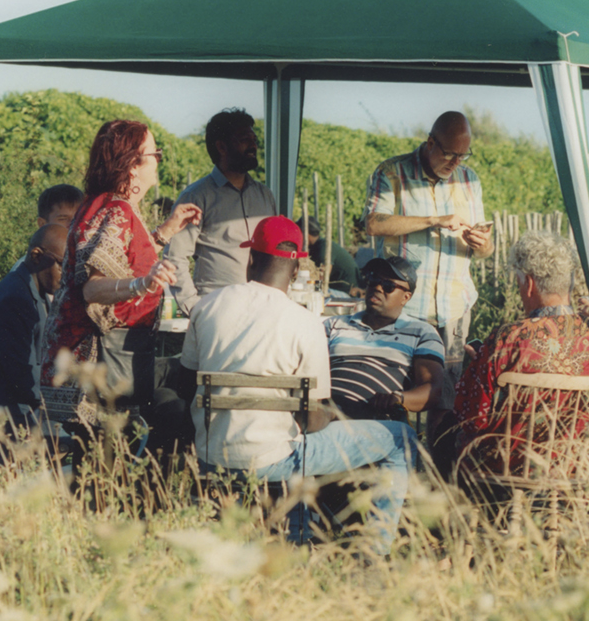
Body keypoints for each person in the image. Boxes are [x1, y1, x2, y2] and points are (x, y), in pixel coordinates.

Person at [179, 218, 419, 552]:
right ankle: (374, 551)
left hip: (210, 454)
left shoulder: (207, 305)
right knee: (401, 437)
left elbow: (185, 383)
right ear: (295, 271)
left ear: (251, 259)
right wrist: (330, 416)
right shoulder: (307, 323)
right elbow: (314, 419)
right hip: (277, 460)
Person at [41, 120, 202, 455]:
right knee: (105, 460)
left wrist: (166, 232)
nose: (158, 161)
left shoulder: (109, 205)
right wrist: (143, 284)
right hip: (97, 364)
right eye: (155, 154)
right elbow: (93, 289)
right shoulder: (115, 211)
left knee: (103, 458)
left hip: (93, 358)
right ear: (133, 166)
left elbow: (123, 260)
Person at [454, 231, 589, 482]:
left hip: (511, 463)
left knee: (445, 432)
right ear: (569, 282)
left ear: (530, 284)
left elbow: (472, 417)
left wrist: (478, 364)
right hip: (579, 462)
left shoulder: (508, 338)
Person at [363, 110, 492, 393]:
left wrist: (483, 244)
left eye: (463, 156)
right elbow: (373, 223)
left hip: (453, 310)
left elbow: (484, 250)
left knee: (445, 398)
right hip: (403, 310)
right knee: (394, 395)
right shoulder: (392, 172)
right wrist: (434, 220)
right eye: (450, 154)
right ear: (431, 142)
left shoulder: (470, 180)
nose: (455, 163)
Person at [170, 110, 278, 309]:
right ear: (221, 147)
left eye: (254, 139)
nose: (253, 146)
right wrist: (194, 308)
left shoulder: (265, 196)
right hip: (216, 308)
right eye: (244, 140)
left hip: (261, 308)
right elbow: (175, 257)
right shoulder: (196, 197)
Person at [0, 221, 68, 436]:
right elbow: (24, 380)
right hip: (7, 423)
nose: (66, 274)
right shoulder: (14, 301)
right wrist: (66, 402)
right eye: (62, 265)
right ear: (36, 256)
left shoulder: (31, 290)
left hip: (19, 409)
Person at [323, 255, 445, 422]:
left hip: (377, 420)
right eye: (373, 280)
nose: (378, 288)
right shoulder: (333, 324)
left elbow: (433, 389)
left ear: (405, 297)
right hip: (326, 413)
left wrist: (399, 399)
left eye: (388, 286)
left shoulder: (421, 332)